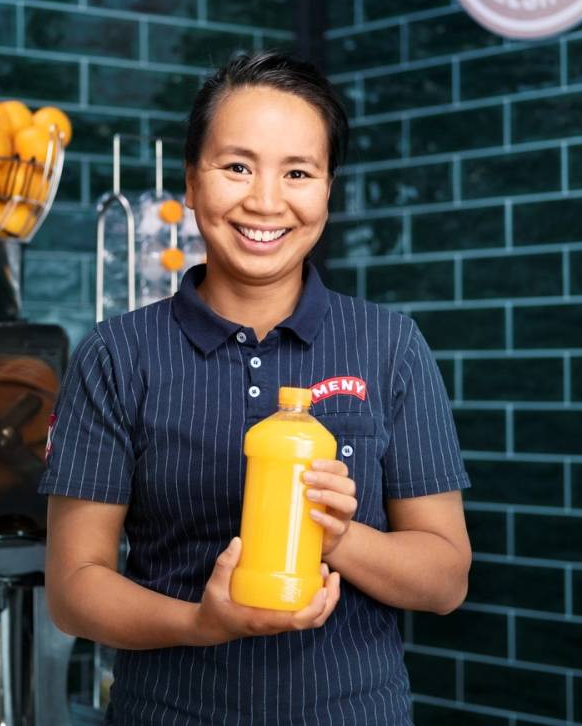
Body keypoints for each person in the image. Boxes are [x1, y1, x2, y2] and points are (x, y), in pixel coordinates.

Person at [39, 51, 472, 725]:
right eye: (236, 166)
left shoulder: (390, 347)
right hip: (169, 712)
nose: (266, 201)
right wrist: (201, 622)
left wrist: (340, 536)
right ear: (191, 180)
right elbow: (73, 588)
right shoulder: (117, 355)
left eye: (298, 172)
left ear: (328, 190)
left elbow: (446, 580)